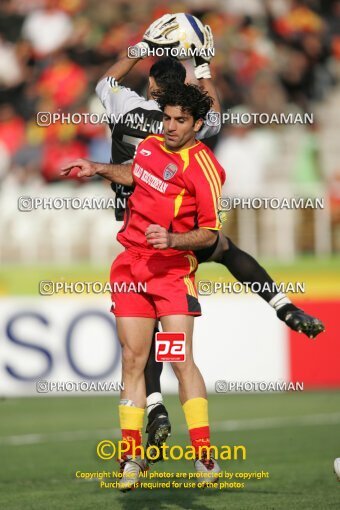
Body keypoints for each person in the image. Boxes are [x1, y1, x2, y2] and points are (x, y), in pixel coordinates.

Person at [61, 14, 324, 467]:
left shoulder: (124, 107)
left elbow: (107, 77)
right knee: (225, 250)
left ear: (150, 86)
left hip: (136, 226)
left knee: (140, 336)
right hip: (180, 227)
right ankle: (281, 304)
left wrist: (142, 45)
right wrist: (202, 67)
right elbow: (214, 116)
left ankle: (156, 405)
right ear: (179, 93)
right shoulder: (188, 126)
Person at [111, 81, 224, 490]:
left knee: (178, 359)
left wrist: (174, 240)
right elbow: (136, 175)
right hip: (130, 270)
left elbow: (211, 232)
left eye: (180, 121)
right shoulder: (149, 146)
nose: (171, 126)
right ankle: (130, 459)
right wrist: (98, 169)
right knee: (132, 360)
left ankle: (205, 457)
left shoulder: (204, 166)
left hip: (171, 274)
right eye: (167, 118)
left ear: (197, 124)